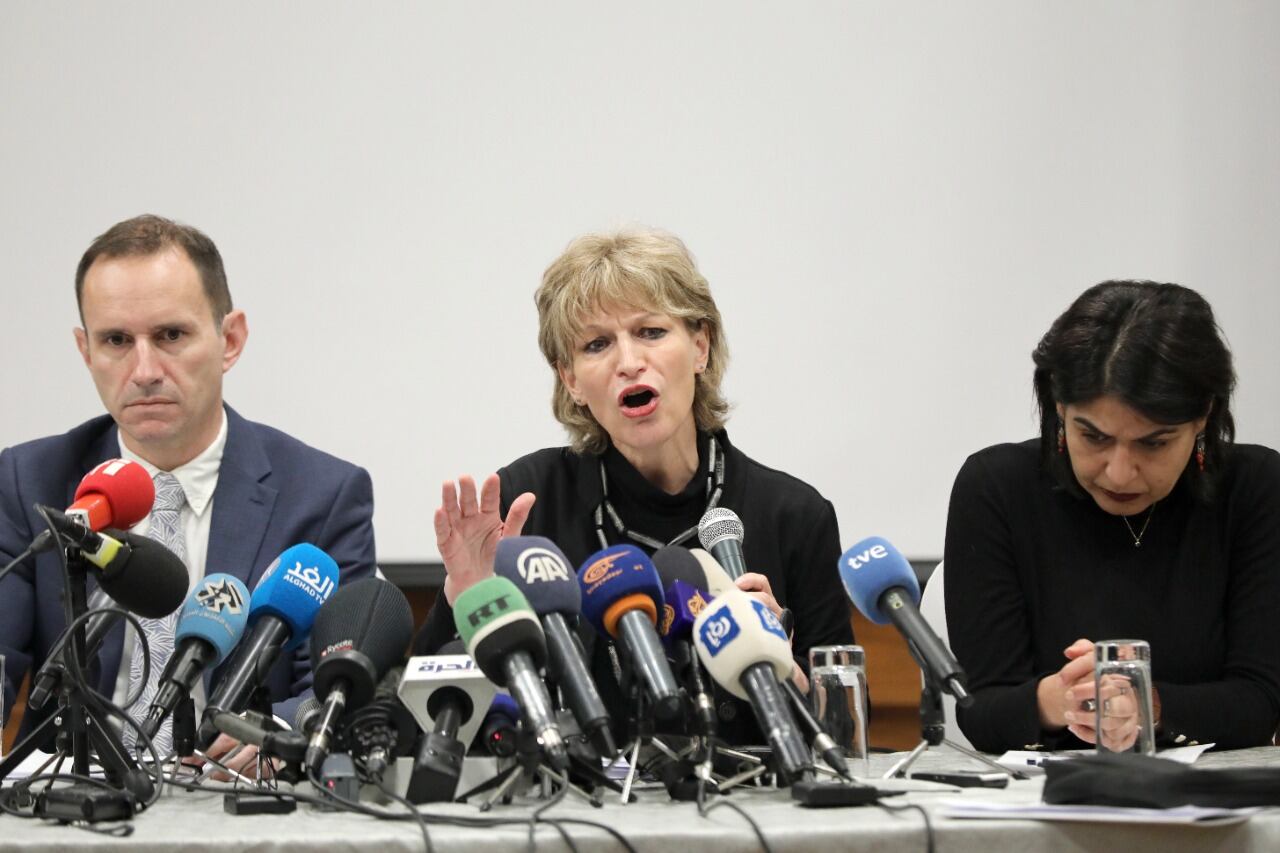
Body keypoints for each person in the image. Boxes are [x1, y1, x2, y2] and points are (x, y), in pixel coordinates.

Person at [416, 227, 853, 745]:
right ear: (572, 381)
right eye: (597, 344)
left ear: (700, 346)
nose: (628, 362)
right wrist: (465, 600)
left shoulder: (792, 516)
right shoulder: (528, 508)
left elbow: (845, 735)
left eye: (650, 331)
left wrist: (783, 667)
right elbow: (418, 730)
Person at [0, 215, 376, 776]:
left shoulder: (323, 495)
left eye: (171, 336)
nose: (145, 370)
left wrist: (281, 733)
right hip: (72, 799)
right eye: (116, 341)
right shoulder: (29, 481)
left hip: (233, 800)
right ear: (85, 350)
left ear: (230, 339)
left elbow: (334, 683)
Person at [944, 280, 1280, 753]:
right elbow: (982, 710)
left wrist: (1146, 705)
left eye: (1154, 443)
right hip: (1043, 802)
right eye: (1094, 437)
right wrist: (1064, 700)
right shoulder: (997, 488)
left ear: (1203, 416)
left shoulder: (1256, 488)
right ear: (1060, 408)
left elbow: (1260, 701)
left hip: (1212, 802)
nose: (1120, 474)